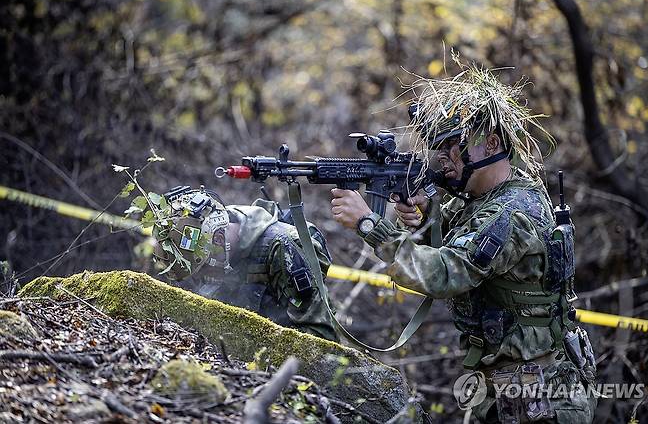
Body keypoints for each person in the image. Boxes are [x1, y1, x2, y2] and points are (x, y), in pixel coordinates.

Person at [330, 66, 597, 422]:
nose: (443, 159)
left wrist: (369, 224)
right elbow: (448, 245)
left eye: (453, 148)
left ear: (491, 144)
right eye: (438, 148)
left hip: (541, 397)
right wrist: (425, 220)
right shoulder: (481, 199)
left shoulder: (511, 212)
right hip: (509, 389)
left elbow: (445, 274)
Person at [152, 185, 337, 342]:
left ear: (218, 239)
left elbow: (320, 337)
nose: (201, 278)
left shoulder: (282, 248)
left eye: (203, 269)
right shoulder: (203, 248)